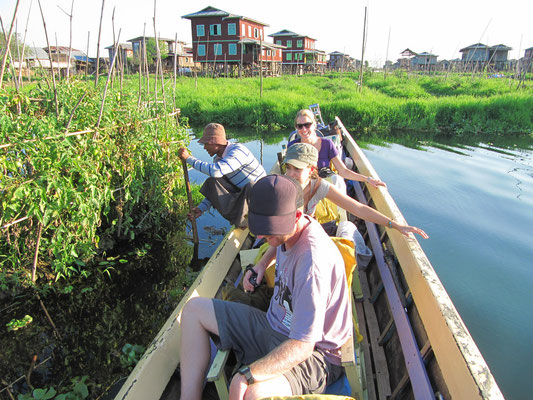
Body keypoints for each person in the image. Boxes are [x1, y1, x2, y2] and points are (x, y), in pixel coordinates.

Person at [179, 174, 353, 400]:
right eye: (259, 227)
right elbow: (280, 242)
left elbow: (303, 346)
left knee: (251, 392)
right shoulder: (293, 228)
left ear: (297, 216)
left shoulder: (312, 266)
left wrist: (247, 375)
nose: (261, 236)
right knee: (193, 311)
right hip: (275, 325)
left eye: (268, 230)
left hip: (315, 355)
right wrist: (261, 264)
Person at [178, 123, 266, 228]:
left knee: (251, 186)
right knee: (213, 182)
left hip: (262, 196)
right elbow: (217, 188)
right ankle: (242, 219)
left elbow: (216, 171)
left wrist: (189, 159)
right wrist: (201, 208)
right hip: (245, 195)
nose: (205, 147)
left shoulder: (237, 151)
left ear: (216, 142)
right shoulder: (218, 159)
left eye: (207, 143)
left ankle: (249, 219)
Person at [289, 109, 386, 190]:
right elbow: (289, 173)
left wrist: (368, 179)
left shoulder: (327, 144)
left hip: (325, 186)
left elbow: (343, 171)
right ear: (296, 128)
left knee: (337, 180)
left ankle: (340, 212)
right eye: (300, 126)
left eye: (307, 125)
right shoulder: (293, 146)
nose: (304, 129)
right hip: (303, 187)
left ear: (314, 125)